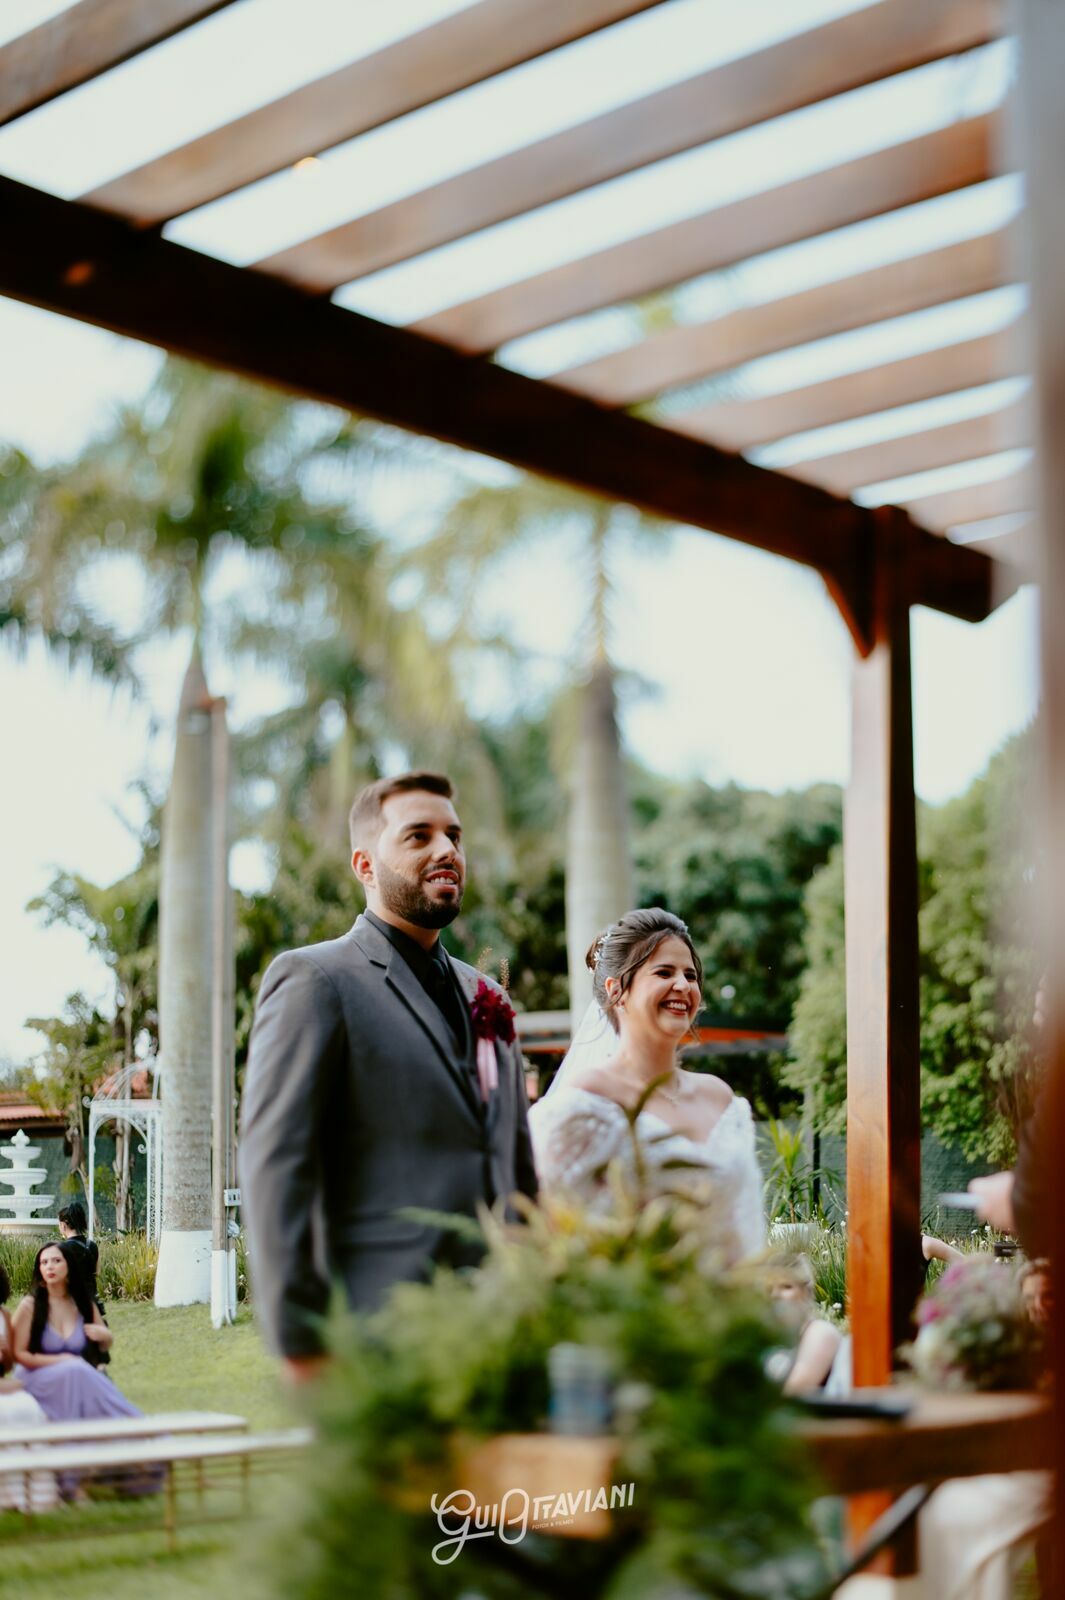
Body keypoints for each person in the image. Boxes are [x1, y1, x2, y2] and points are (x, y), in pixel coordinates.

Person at [240, 771, 538, 1384]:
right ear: (365, 864)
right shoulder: (315, 981)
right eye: (419, 835)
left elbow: (517, 1166)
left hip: (505, 1337)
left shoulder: (491, 999)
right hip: (375, 1340)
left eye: (454, 834)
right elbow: (275, 1166)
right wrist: (301, 1346)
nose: (447, 850)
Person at [528, 908, 765, 1260]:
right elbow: (550, 1239)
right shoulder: (582, 1104)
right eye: (664, 972)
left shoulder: (720, 1098)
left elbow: (746, 1230)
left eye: (690, 974)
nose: (683, 986)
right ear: (617, 991)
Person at [10, 1243, 143, 1424]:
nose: (50, 1266)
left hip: (75, 1374)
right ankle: (131, 1424)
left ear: (69, 1266)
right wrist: (64, 1360)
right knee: (77, 1370)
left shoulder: (83, 1304)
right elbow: (19, 1354)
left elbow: (103, 1344)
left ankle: (133, 1426)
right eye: (44, 1262)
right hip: (37, 1376)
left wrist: (106, 1337)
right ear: (39, 1269)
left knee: (80, 1374)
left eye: (56, 1260)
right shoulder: (30, 1306)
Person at [0, 1262, 58, 1514]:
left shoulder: (2, 1315)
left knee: (29, 1408)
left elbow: (9, 1361)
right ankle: (8, 1495)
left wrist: (4, 1354)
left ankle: (39, 1495)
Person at [763, 1252, 843, 1394]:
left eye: (786, 1286)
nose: (775, 1295)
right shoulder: (780, 1337)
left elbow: (795, 1390)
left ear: (807, 1291)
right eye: (770, 1289)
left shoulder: (820, 1332)